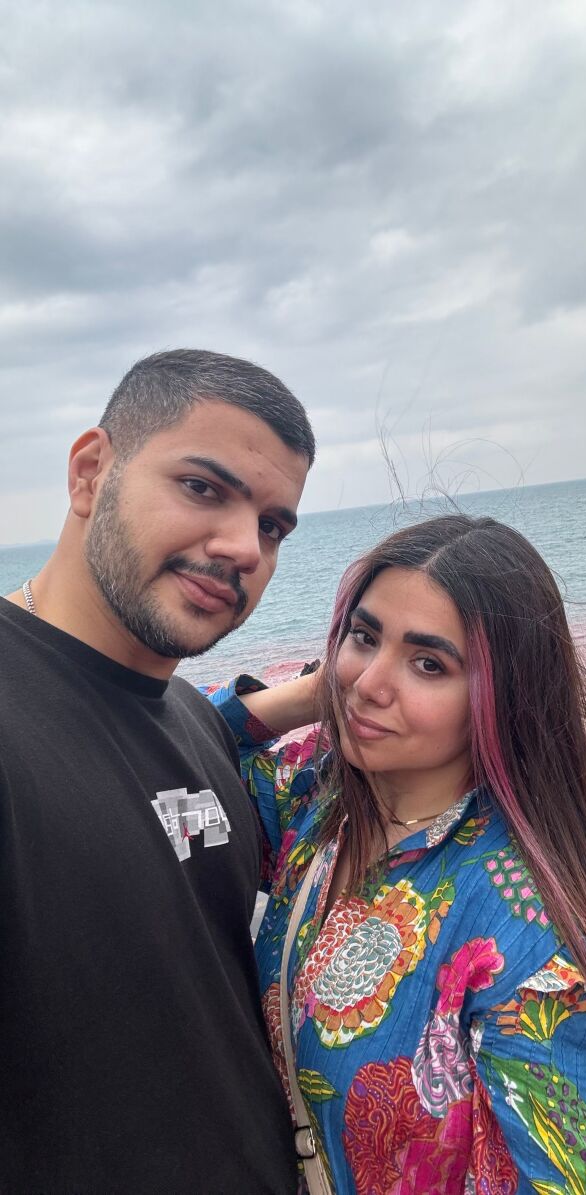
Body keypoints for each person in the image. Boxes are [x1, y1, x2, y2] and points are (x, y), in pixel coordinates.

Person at [205, 513, 586, 1194]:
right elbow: (182, 748)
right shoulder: (319, 797)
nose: (371, 683)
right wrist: (314, 693)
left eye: (429, 663)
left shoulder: (535, 947)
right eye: (364, 636)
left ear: (503, 696)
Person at [0, 349, 315, 1193]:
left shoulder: (194, 723)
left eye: (274, 526)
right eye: (202, 487)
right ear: (90, 473)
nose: (243, 547)